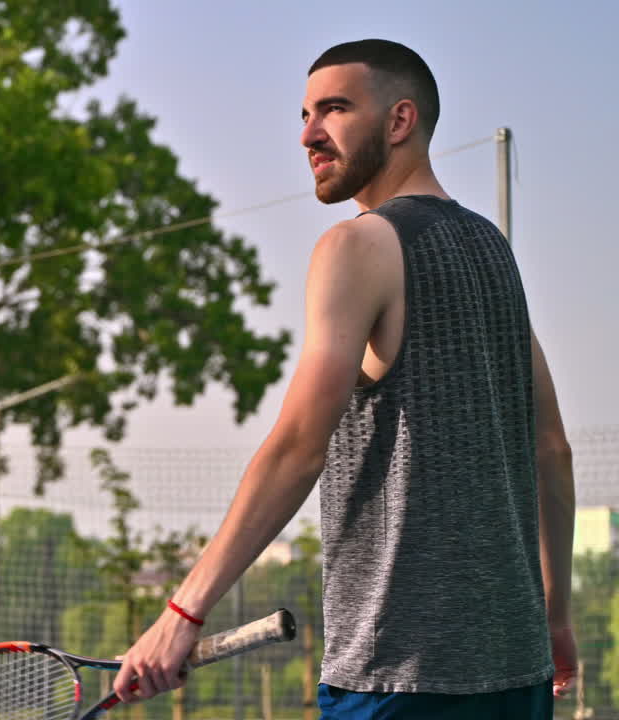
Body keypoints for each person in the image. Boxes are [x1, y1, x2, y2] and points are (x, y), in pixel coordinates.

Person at [112, 39, 577, 719]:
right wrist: (555, 616)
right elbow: (553, 451)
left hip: (397, 676)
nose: (307, 134)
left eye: (333, 109)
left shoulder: (355, 245)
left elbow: (301, 444)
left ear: (399, 121)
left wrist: (184, 610)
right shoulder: (494, 252)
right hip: (517, 671)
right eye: (304, 114)